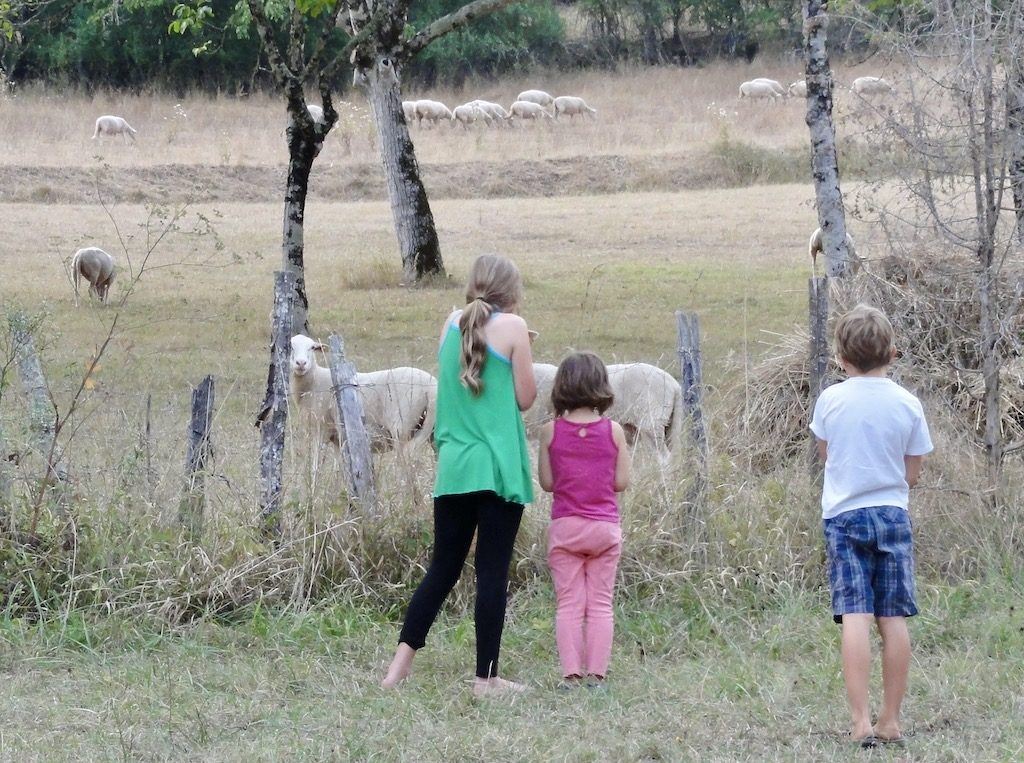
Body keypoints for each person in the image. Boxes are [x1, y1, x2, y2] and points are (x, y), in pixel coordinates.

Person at [381, 254, 536, 697]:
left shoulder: (452, 322)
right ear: (512, 291)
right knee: (491, 574)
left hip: (454, 467)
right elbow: (526, 397)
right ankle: (486, 678)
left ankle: (397, 670)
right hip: (498, 469)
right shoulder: (516, 328)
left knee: (442, 569)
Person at [809, 304, 933, 748]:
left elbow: (827, 456)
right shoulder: (907, 402)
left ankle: (860, 721)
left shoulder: (831, 399)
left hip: (843, 517)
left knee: (855, 618)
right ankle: (891, 719)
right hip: (892, 514)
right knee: (893, 617)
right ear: (893, 353)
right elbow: (912, 473)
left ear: (841, 358)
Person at [537, 352, 631, 688]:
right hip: (605, 529)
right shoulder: (615, 432)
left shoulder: (550, 432)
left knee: (569, 604)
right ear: (602, 387)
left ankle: (571, 674)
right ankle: (597, 675)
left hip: (565, 529)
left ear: (560, 388)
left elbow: (548, 484)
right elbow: (621, 483)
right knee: (601, 604)